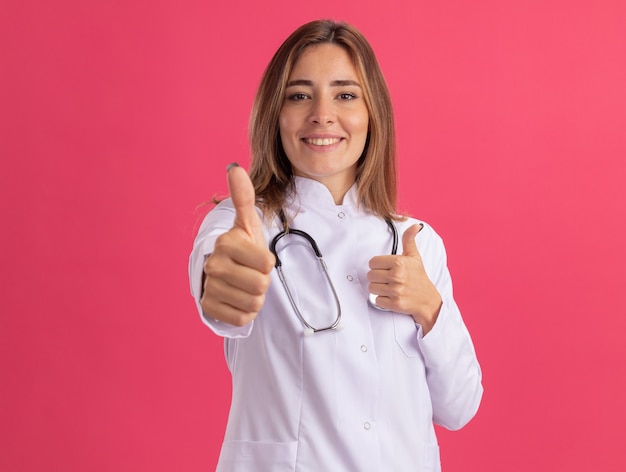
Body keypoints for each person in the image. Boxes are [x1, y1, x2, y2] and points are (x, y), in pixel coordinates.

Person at [189, 19, 482, 472]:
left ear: (372, 113)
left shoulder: (417, 243)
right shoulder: (242, 223)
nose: (322, 114)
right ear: (276, 114)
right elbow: (219, 278)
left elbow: (459, 407)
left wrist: (430, 309)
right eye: (299, 95)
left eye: (345, 95)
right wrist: (224, 282)